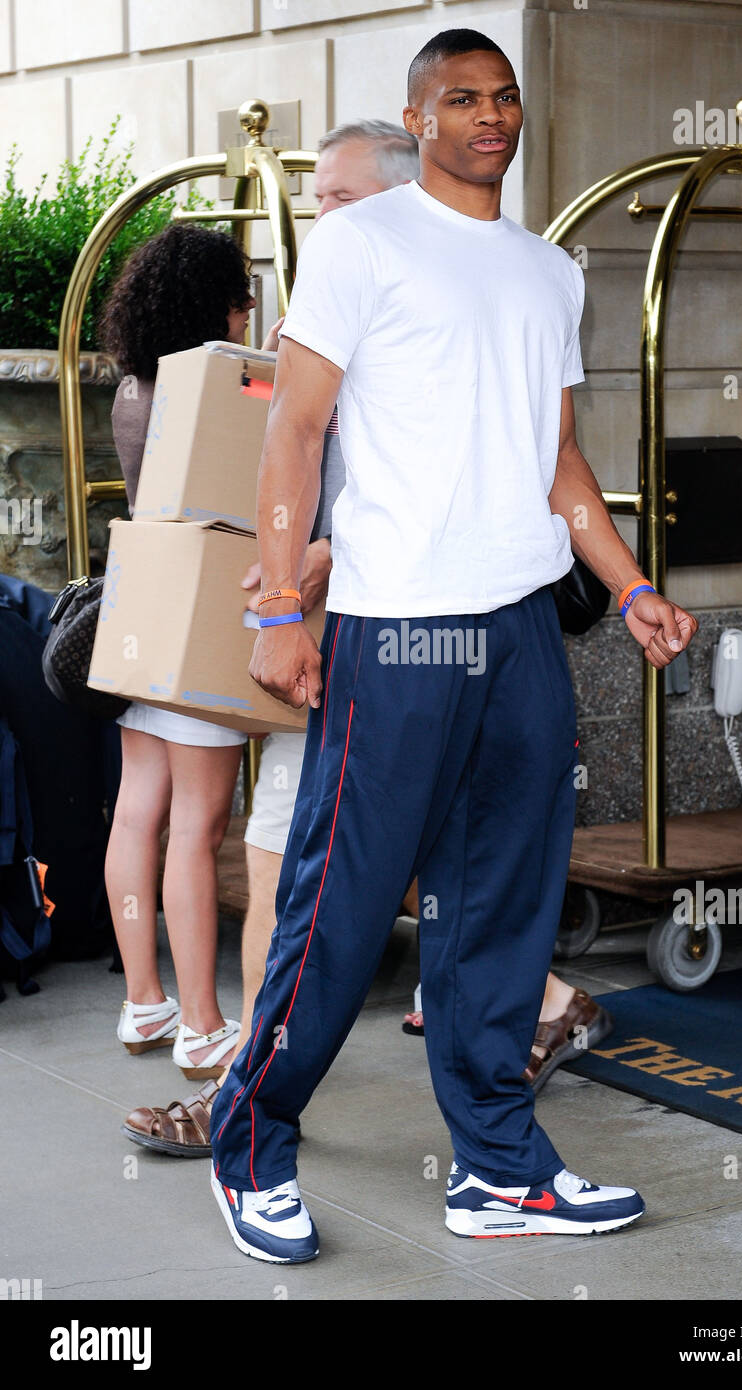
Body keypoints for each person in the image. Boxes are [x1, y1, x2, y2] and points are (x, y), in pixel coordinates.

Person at [206, 27, 697, 1263]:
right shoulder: (363, 244)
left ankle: (498, 1169)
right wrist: (275, 607)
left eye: (505, 96)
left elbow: (559, 459)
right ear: (420, 119)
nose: (491, 115)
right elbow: (295, 434)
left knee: (504, 911)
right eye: (462, 98)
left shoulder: (549, 272)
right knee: (341, 903)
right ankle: (251, 1140)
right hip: (399, 632)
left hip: (524, 628)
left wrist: (629, 585)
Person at [122, 117, 610, 1158]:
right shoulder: (350, 308)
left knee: (314, 876)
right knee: (350, 873)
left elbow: (459, 488)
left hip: (390, 644)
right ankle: (530, 1015)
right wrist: (285, 595)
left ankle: (243, 1101)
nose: (322, 222)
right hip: (348, 648)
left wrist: (302, 583)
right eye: (316, 206)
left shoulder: (446, 293)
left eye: (338, 199)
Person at [100, 226, 277, 1080]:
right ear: (217, 302)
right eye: (242, 297)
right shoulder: (215, 377)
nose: (249, 312)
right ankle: (204, 1022)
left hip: (140, 602)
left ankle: (145, 1001)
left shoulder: (133, 384)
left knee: (140, 809)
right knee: (199, 827)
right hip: (204, 614)